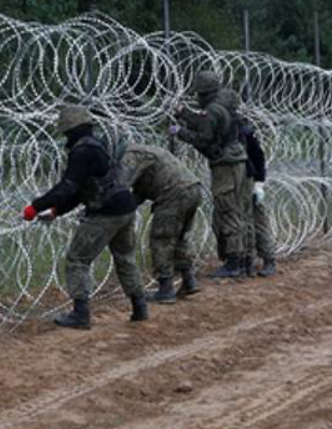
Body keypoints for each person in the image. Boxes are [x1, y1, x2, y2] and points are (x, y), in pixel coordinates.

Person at [22, 104, 148, 330]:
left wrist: (36, 206)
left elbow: (68, 187)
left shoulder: (82, 151)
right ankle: (140, 306)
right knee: (125, 257)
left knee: (77, 259)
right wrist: (56, 211)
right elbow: (84, 189)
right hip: (125, 206)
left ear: (69, 128)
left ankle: (80, 314)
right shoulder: (97, 146)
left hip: (106, 211)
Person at [171, 71, 250, 280]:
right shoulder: (224, 103)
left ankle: (234, 263)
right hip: (237, 160)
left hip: (225, 165)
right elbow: (204, 121)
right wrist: (184, 113)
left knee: (228, 210)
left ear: (203, 92)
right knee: (237, 210)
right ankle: (243, 260)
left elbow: (204, 138)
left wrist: (179, 132)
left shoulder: (213, 109)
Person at [122, 143, 203, 303]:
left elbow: (122, 185)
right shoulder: (146, 151)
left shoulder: (131, 155)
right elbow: (140, 192)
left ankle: (166, 288)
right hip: (192, 189)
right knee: (178, 238)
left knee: (161, 240)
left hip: (174, 194)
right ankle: (189, 280)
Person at [239, 123, 278, 278]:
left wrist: (259, 184)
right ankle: (246, 259)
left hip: (251, 181)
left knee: (258, 221)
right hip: (235, 184)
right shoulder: (222, 128)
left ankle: (269, 260)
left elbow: (258, 157)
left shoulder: (245, 132)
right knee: (240, 224)